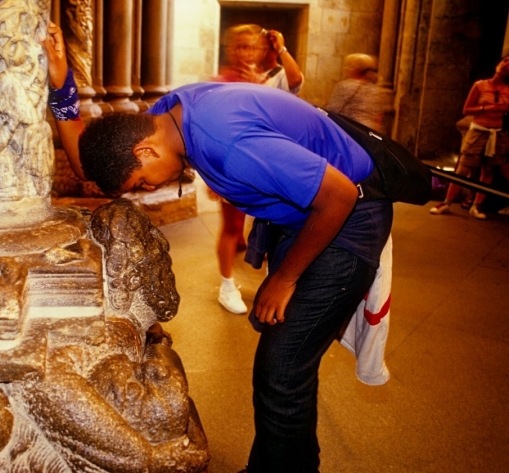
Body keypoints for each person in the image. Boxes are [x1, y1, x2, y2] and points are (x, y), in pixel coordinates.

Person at [43, 22, 392, 472]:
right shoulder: (166, 117)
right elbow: (93, 165)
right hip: (305, 219)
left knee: (282, 368)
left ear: (146, 152)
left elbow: (339, 196)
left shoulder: (226, 143)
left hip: (346, 220)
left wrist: (285, 279)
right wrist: (62, 84)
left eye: (140, 183)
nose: (146, 190)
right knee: (282, 366)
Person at [211, 24, 305, 315]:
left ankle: (273, 280)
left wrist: (283, 49)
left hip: (267, 163)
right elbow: (212, 129)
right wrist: (212, 174)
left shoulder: (270, 78)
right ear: (230, 48)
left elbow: (296, 81)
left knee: (277, 220)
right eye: (240, 46)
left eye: (251, 46)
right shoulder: (221, 82)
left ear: (263, 50)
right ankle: (226, 286)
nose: (245, 52)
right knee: (232, 226)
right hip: (232, 164)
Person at [430, 55, 509, 219]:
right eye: (505, 61)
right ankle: (447, 203)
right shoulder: (480, 85)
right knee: (463, 168)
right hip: (478, 130)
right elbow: (467, 110)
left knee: (488, 170)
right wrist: (485, 108)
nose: (506, 65)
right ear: (498, 64)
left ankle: (477, 205)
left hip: (497, 133)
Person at [325, 53, 393, 134]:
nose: (346, 68)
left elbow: (333, 109)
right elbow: (378, 117)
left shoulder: (344, 86)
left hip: (349, 130)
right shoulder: (376, 90)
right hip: (367, 131)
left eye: (350, 66)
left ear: (356, 69)